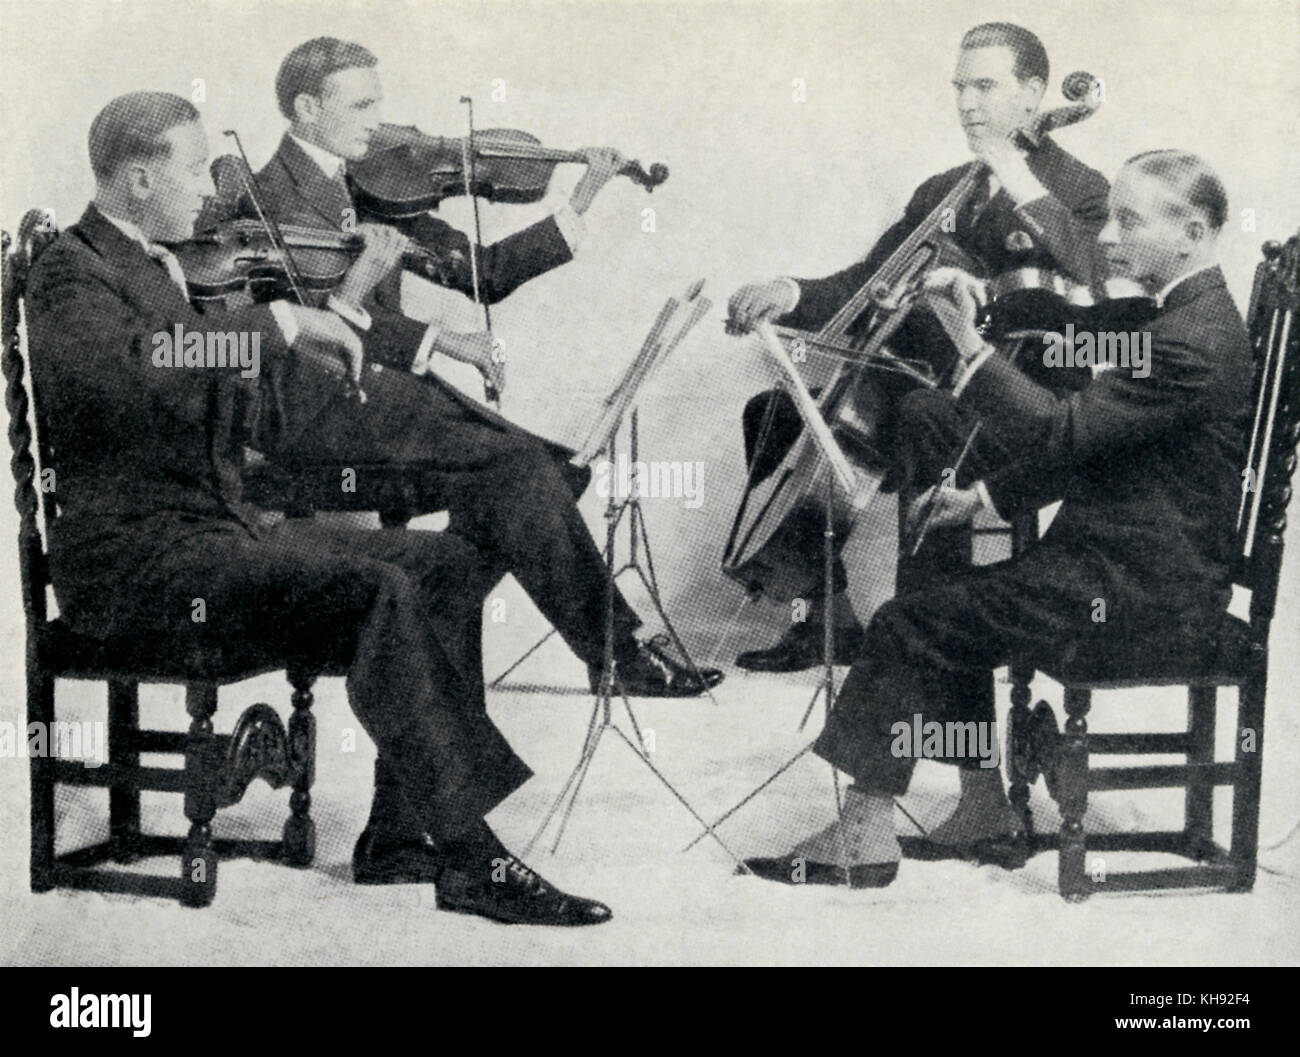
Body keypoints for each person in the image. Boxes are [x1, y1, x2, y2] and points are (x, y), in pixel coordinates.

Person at [25, 90, 614, 926]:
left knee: (442, 564)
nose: (209, 188)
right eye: (194, 170)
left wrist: (330, 328)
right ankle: (472, 857)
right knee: (377, 588)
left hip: (219, 535)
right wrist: (277, 322)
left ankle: (400, 833)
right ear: (139, 175)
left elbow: (224, 390)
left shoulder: (163, 264)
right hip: (138, 567)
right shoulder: (71, 271)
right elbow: (143, 363)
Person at [740, 150, 1252, 888]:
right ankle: (980, 805)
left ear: (1192, 233)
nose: (1108, 237)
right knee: (941, 602)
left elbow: (1059, 432)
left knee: (907, 622)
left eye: (1130, 221)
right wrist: (979, 498)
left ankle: (864, 831)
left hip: (1138, 590)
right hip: (1120, 563)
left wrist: (970, 346)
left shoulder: (1187, 341)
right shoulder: (1180, 314)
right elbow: (1076, 331)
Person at [234, 36, 723, 705]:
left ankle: (447, 601)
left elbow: (479, 273)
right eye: (363, 103)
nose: (380, 120)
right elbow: (303, 330)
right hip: (319, 418)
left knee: (555, 470)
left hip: (386, 406)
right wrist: (435, 339)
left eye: (381, 101)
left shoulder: (368, 182)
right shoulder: (271, 198)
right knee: (526, 472)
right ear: (306, 108)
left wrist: (582, 196)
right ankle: (613, 650)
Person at [725, 22, 1108, 675]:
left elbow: (1097, 273)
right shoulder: (942, 191)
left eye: (985, 86)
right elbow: (869, 281)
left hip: (1017, 399)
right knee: (775, 415)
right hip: (928, 380)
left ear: (1034, 94)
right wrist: (788, 292)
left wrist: (1015, 174)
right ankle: (831, 618)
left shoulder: (1081, 190)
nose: (966, 104)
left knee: (915, 417)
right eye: (960, 87)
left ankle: (920, 642)